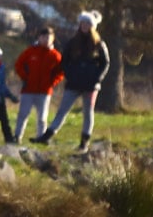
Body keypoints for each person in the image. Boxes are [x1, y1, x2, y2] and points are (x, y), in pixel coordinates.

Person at [34, 11, 109, 152]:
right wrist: (70, 75)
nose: (84, 26)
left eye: (87, 23)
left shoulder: (99, 44)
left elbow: (105, 63)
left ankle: (84, 142)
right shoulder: (73, 42)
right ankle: (47, 136)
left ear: (92, 26)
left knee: (88, 112)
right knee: (62, 110)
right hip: (74, 84)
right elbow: (64, 61)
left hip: (90, 85)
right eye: (83, 23)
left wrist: (97, 78)